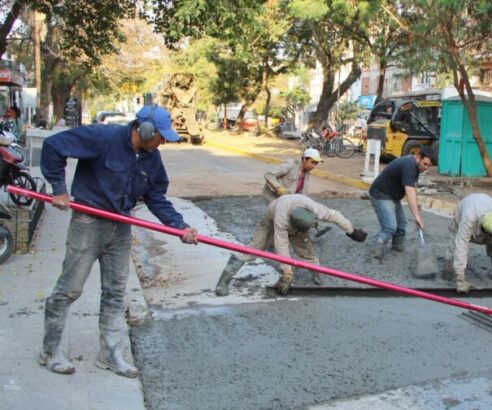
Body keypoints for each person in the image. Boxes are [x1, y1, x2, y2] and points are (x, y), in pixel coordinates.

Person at [38, 104, 199, 378]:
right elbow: (53, 146)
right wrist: (59, 190)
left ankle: (110, 354)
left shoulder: (152, 159)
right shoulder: (103, 137)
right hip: (88, 224)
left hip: (122, 228)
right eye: (160, 135)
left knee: (114, 293)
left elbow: (156, 197)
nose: (162, 142)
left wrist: (180, 226)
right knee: (69, 290)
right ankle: (51, 351)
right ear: (145, 129)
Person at [214, 194, 367, 296]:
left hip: (296, 220)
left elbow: (336, 216)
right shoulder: (281, 218)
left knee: (306, 248)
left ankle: (316, 272)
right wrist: (287, 273)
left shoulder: (315, 209)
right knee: (254, 248)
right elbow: (281, 245)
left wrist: (352, 231)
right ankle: (224, 280)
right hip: (271, 217)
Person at [367, 147, 434, 262]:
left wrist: (417, 211)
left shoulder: (415, 166)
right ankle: (374, 254)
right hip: (381, 194)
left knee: (401, 225)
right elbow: (409, 192)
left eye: (429, 166)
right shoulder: (409, 165)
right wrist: (417, 216)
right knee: (390, 227)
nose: (426, 168)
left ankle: (397, 249)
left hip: (393, 196)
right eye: (425, 164)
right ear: (418, 157)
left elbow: (412, 188)